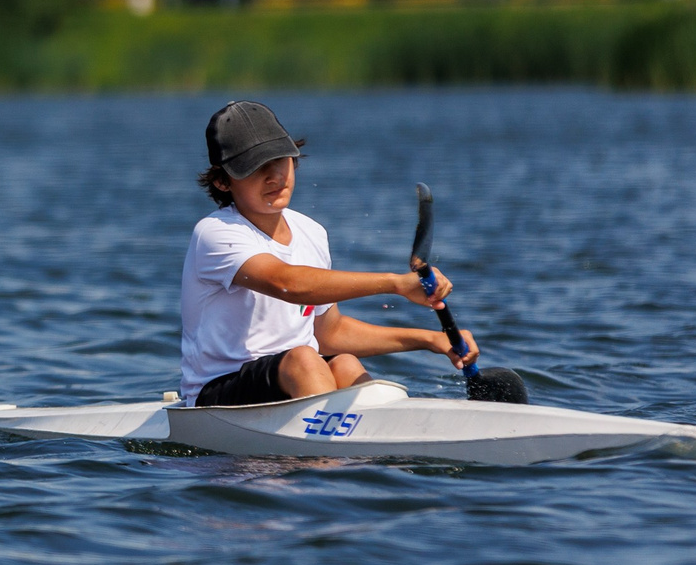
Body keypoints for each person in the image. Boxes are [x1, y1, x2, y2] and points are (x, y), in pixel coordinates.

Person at [180, 100, 479, 407]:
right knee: (306, 360)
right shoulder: (216, 232)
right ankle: (331, 453)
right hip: (216, 395)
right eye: (255, 168)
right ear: (221, 181)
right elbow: (288, 284)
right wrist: (396, 284)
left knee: (344, 363)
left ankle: (372, 444)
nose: (274, 176)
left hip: (293, 380)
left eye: (280, 160)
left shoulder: (312, 232)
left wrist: (430, 340)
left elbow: (329, 333)